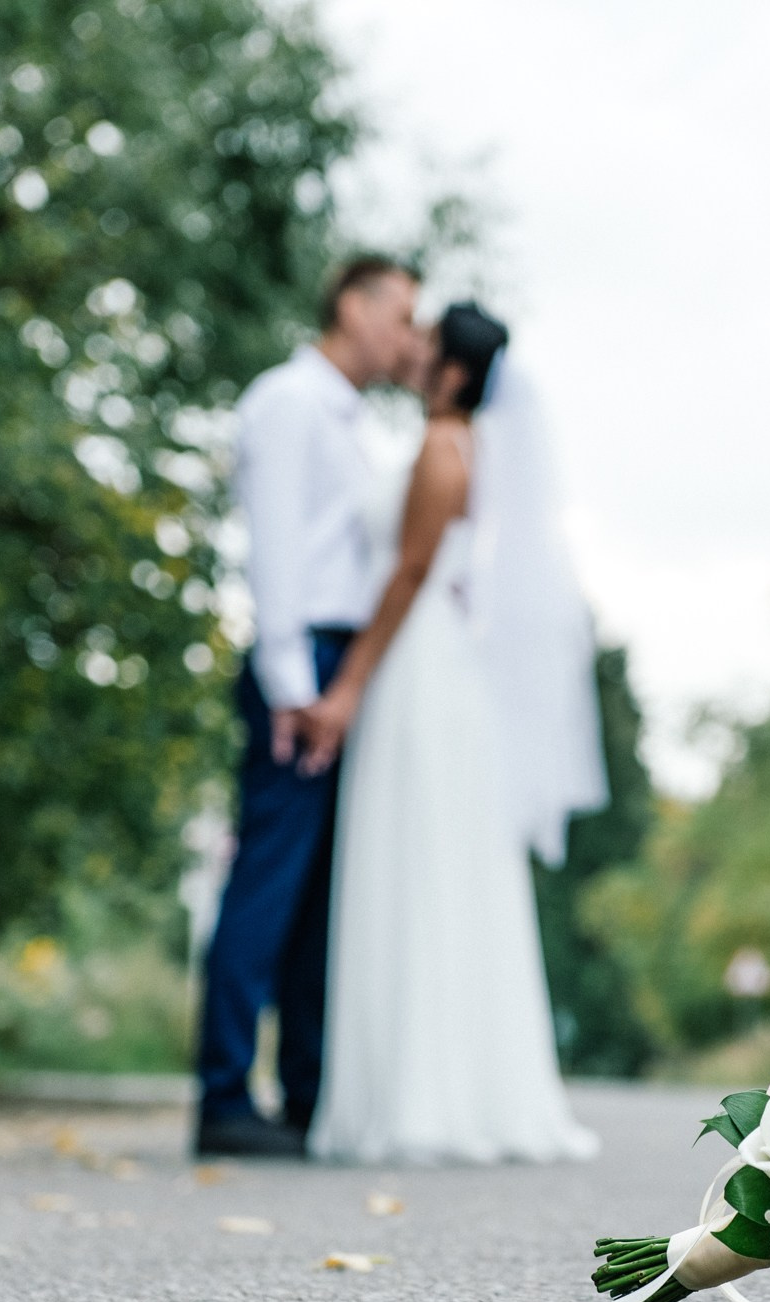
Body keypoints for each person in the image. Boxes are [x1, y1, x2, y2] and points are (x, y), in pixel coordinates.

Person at [296, 302, 605, 1165]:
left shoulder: (441, 448)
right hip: (440, 667)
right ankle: (444, 1088)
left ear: (456, 372)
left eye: (427, 343)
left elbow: (411, 571)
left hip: (418, 670)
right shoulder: (460, 446)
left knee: (416, 864)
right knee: (435, 865)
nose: (413, 349)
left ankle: (420, 1100)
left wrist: (350, 680)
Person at [191, 255, 424, 1158]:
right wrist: (297, 687)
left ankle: (302, 1090)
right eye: (399, 316)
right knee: (269, 878)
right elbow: (276, 550)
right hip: (306, 660)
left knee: (319, 892)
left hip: (340, 661)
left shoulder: (350, 419)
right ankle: (222, 1094)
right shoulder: (290, 402)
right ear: (350, 305)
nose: (407, 338)